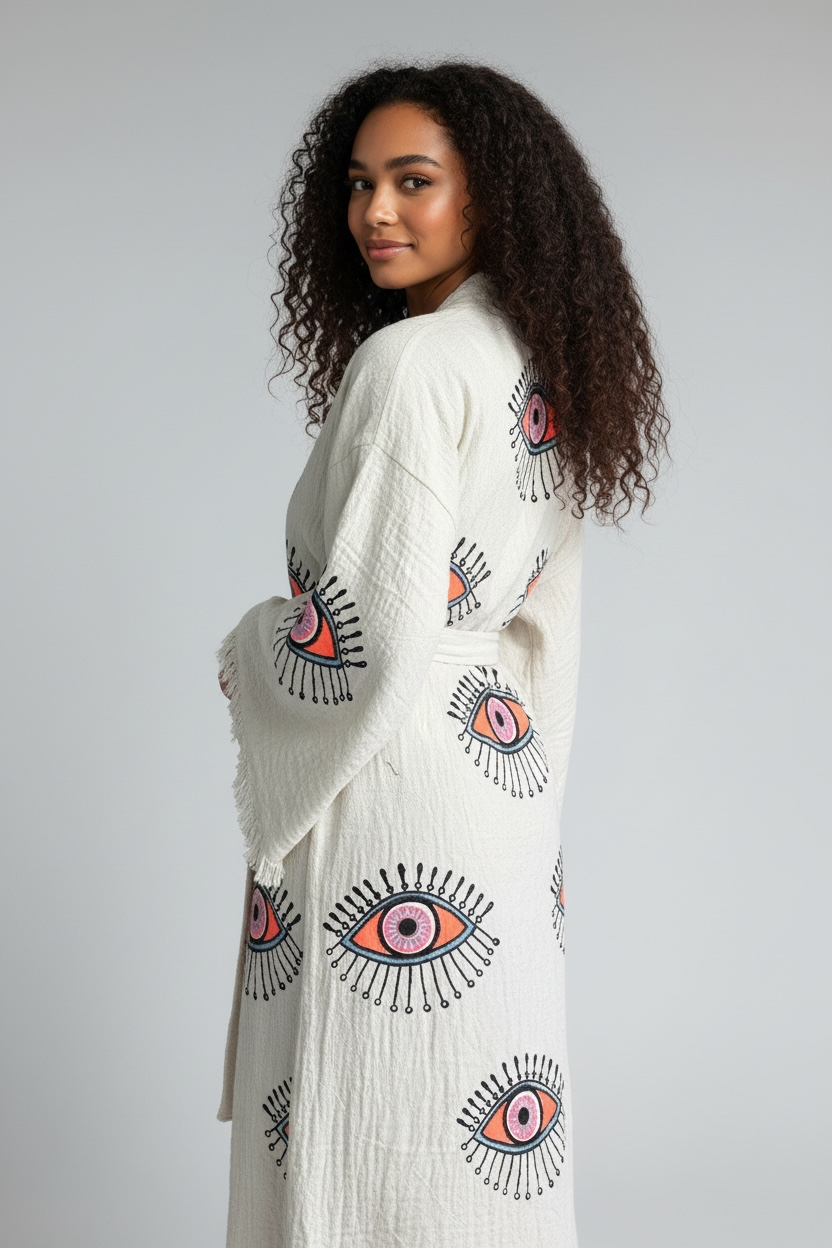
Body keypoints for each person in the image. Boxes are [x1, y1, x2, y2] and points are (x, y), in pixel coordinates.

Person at [217, 60, 668, 1248]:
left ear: (490, 194)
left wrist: (252, 647)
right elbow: (549, 630)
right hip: (492, 777)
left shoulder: (409, 364)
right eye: (358, 183)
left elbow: (361, 639)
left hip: (389, 785)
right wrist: (529, 812)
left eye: (413, 181)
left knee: (357, 1101)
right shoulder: (539, 363)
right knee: (471, 1112)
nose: (375, 211)